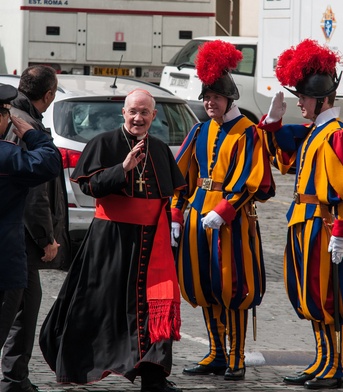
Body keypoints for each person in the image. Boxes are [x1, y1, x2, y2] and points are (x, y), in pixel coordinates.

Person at [39, 88, 186, 392]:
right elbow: (91, 187)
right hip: (111, 241)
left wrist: (173, 221)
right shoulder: (103, 143)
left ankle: (154, 377)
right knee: (98, 306)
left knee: (153, 307)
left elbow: (169, 192)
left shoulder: (159, 149)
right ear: (124, 112)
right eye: (133, 111)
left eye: (145, 112)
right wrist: (123, 169)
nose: (138, 117)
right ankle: (81, 365)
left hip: (150, 243)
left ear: (154, 116)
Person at [170, 40, 275, 381]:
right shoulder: (199, 129)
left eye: (214, 97)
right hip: (198, 218)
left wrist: (227, 209)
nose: (208, 102)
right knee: (204, 285)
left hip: (232, 222)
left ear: (230, 99)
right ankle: (216, 352)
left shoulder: (249, 134)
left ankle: (236, 357)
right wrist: (176, 211)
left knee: (232, 287)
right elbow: (180, 174)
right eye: (206, 97)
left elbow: (254, 181)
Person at [259, 39, 343, 390]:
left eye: (304, 98)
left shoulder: (335, 135)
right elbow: (285, 161)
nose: (299, 103)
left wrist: (339, 230)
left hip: (323, 226)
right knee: (309, 295)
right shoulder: (314, 133)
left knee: (327, 297)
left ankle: (335, 365)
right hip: (302, 223)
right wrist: (274, 124)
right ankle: (322, 359)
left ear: (322, 100)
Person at [1, 66, 71, 392]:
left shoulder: (17, 115)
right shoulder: (22, 124)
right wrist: (46, 238)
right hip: (20, 238)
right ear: (49, 95)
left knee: (25, 305)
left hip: (18, 236)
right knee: (19, 307)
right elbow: (35, 192)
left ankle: (16, 378)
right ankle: (14, 379)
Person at [0, 84, 61, 349]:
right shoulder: (7, 155)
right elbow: (49, 162)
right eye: (5, 113)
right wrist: (35, 136)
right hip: (4, 261)